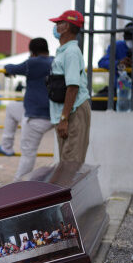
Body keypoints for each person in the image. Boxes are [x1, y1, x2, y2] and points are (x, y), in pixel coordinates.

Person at [0, 38, 54, 181]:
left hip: (36, 116)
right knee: (12, 108)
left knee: (28, 154)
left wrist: (8, 69)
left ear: (32, 52)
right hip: (52, 113)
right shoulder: (54, 60)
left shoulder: (33, 63)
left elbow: (12, 68)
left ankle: (17, 187)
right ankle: (6, 146)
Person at [48, 10, 91, 165]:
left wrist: (64, 119)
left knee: (70, 164)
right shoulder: (64, 51)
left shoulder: (71, 52)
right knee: (66, 161)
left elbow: (73, 87)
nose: (56, 26)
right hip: (67, 112)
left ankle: (70, 190)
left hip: (73, 112)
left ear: (66, 27)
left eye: (58, 23)